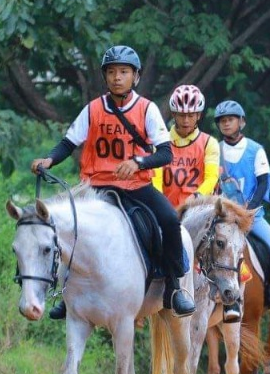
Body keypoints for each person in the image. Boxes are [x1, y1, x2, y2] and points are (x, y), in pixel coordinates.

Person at [30, 45, 195, 319]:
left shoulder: (147, 109)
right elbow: (68, 142)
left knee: (168, 219)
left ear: (136, 77)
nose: (117, 77)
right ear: (105, 77)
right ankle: (67, 293)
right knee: (68, 228)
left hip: (136, 186)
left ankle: (174, 287)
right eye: (111, 72)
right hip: (96, 186)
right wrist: (48, 160)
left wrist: (138, 163)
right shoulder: (93, 109)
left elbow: (166, 153)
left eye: (123, 72)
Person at [213, 99, 270, 318]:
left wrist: (250, 208)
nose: (226, 124)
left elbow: (263, 183)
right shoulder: (214, 150)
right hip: (223, 218)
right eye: (222, 121)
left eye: (230, 119)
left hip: (252, 216)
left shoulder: (255, 150)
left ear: (242, 122)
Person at [152, 84, 220, 207]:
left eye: (191, 115)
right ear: (174, 115)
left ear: (198, 115)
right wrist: (161, 205)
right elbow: (155, 178)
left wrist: (195, 197)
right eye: (182, 115)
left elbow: (211, 178)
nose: (186, 120)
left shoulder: (209, 143)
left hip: (198, 207)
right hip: (166, 207)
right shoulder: (160, 141)